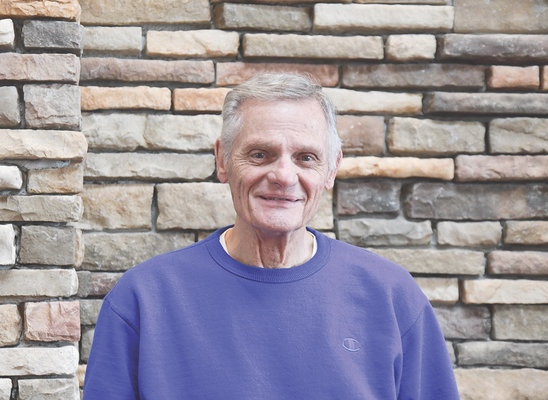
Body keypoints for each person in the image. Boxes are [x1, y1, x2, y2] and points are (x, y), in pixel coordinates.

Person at [83, 73, 460, 399]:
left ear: (331, 169)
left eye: (306, 158)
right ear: (223, 160)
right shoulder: (144, 300)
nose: (283, 175)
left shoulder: (391, 297)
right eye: (261, 154)